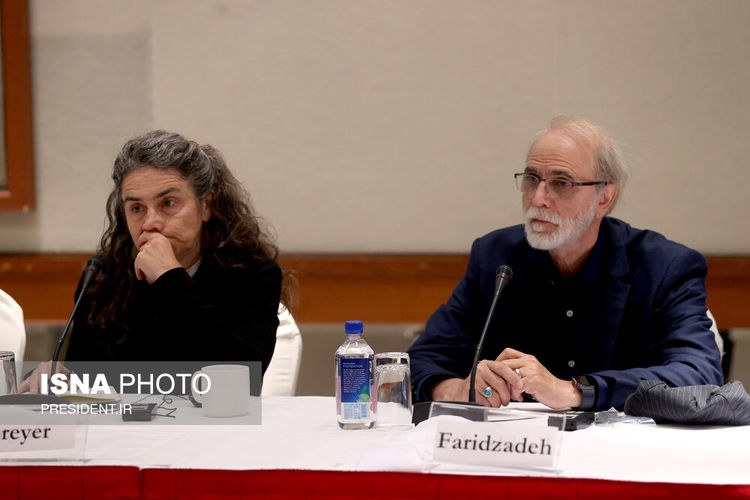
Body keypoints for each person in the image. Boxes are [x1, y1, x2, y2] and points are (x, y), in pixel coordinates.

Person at [407, 116, 723, 411]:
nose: (538, 198)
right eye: (532, 179)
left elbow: (700, 374)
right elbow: (421, 360)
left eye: (561, 183)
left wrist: (575, 391)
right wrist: (457, 389)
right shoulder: (495, 257)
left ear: (604, 198)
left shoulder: (664, 267)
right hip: (519, 444)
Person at [22, 131, 289, 395]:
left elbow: (241, 382)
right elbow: (86, 382)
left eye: (168, 203)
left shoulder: (253, 275)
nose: (150, 223)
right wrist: (57, 377)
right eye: (137, 208)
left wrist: (170, 277)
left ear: (206, 205)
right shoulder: (104, 277)